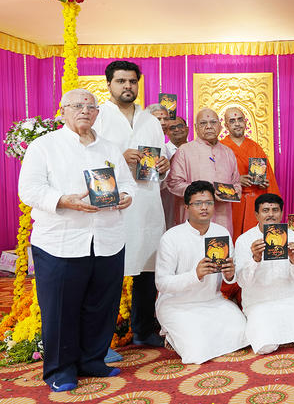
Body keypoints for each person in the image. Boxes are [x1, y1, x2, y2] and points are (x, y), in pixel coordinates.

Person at [18, 89, 136, 392]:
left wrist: (126, 196)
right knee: (60, 309)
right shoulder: (44, 146)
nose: (84, 110)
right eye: (77, 105)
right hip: (60, 241)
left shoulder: (109, 148)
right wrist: (63, 200)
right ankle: (60, 370)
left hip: (107, 239)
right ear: (63, 111)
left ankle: (92, 360)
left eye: (90, 106)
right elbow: (29, 189)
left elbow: (127, 183)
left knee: (101, 305)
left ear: (97, 113)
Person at [92, 61, 170, 349]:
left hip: (148, 202)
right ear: (108, 84)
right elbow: (87, 160)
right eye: (121, 81)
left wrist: (164, 166)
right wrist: (118, 159)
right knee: (109, 273)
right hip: (114, 206)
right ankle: (102, 341)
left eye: (132, 81)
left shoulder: (150, 120)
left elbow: (160, 161)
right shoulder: (98, 116)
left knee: (147, 270)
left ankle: (143, 330)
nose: (127, 86)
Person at [155, 180, 248, 363]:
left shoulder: (221, 233)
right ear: (187, 207)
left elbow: (231, 275)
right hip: (177, 304)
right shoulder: (171, 237)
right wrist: (195, 275)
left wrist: (230, 274)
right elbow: (162, 283)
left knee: (243, 333)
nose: (204, 208)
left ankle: (188, 335)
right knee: (196, 351)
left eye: (208, 203)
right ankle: (171, 335)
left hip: (212, 301)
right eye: (198, 203)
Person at [235, 193, 294, 354]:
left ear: (281, 213)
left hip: (289, 300)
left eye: (275, 210)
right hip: (259, 303)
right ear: (256, 214)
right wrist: (255, 259)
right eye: (265, 210)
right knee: (266, 347)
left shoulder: (290, 235)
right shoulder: (244, 240)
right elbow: (242, 282)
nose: (271, 214)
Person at [166, 108, 241, 235]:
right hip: (193, 217)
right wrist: (203, 194)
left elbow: (236, 183)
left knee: (220, 246)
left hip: (222, 217)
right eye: (203, 123)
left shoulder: (228, 152)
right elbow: (174, 183)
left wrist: (230, 193)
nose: (209, 126)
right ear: (196, 128)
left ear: (220, 126)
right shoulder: (184, 150)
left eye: (213, 122)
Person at [220, 107, 280, 239]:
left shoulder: (255, 147)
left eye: (240, 119)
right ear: (226, 125)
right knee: (230, 238)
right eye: (232, 121)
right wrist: (236, 180)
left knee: (254, 240)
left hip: (254, 200)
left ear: (245, 122)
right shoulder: (221, 148)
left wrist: (265, 184)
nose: (237, 124)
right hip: (231, 202)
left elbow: (269, 179)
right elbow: (215, 179)